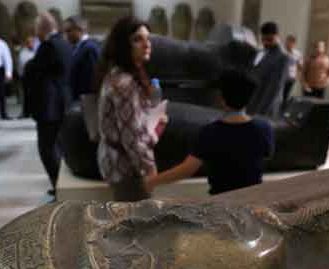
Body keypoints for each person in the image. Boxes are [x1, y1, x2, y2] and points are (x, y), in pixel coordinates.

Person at [147, 69, 274, 195]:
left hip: (221, 201)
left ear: (221, 98)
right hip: (254, 198)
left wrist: (151, 181)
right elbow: (265, 156)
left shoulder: (210, 132)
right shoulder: (264, 128)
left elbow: (186, 169)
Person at [96, 16, 166, 202]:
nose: (146, 44)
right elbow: (132, 138)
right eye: (138, 39)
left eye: (148, 38)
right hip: (127, 168)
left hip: (118, 162)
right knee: (137, 225)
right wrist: (150, 169)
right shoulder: (124, 84)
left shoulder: (119, 74)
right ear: (123, 45)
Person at [27, 12, 73, 195]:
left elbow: (34, 69)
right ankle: (60, 185)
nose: (35, 33)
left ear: (42, 28)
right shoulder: (64, 43)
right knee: (58, 146)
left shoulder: (48, 46)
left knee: (46, 148)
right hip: (62, 103)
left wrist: (30, 65)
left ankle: (58, 186)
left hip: (49, 106)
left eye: (37, 29)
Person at [247, 21, 290, 119]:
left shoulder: (282, 58)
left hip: (266, 108)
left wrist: (260, 113)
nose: (266, 42)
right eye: (263, 39)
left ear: (277, 37)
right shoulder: (261, 52)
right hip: (253, 103)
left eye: (269, 39)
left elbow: (275, 88)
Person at [63, 15, 101, 101]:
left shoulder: (90, 49)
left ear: (79, 29)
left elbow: (92, 79)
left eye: (69, 31)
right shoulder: (78, 48)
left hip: (86, 101)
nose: (66, 35)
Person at [17, 35, 36, 118]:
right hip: (25, 77)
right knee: (26, 95)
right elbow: (20, 65)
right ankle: (26, 112)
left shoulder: (36, 52)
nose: (30, 44)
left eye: (31, 42)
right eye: (28, 43)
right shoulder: (23, 53)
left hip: (35, 78)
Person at [283, 35, 303, 103]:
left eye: (291, 42)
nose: (288, 44)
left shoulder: (297, 53)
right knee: (279, 95)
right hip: (281, 77)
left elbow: (300, 66)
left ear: (294, 44)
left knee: (286, 95)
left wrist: (297, 76)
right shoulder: (282, 52)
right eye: (287, 42)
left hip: (291, 78)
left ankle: (283, 109)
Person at [0, 37, 13, 120]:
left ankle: (4, 113)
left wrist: (8, 72)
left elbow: (7, 58)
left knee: (1, 93)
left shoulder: (2, 44)